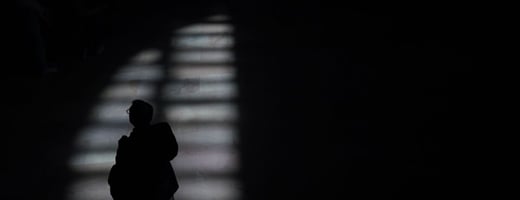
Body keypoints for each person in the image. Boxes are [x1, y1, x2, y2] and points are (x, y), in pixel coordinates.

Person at [108, 100, 179, 200]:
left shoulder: (128, 143)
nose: (131, 114)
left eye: (133, 111)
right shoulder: (160, 134)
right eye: (131, 111)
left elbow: (119, 171)